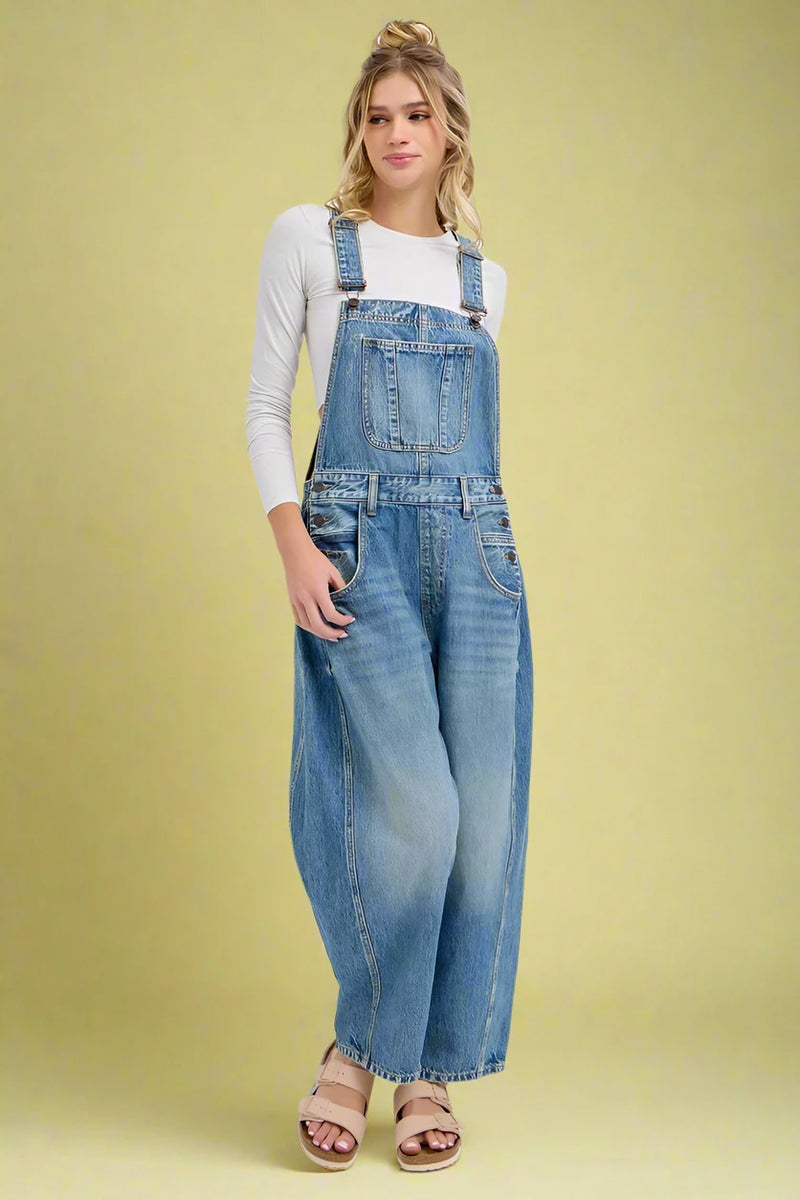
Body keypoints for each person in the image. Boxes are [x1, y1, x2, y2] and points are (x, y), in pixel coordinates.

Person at [245, 18, 533, 1174]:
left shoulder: (485, 281)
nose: (394, 132)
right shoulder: (314, 242)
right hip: (352, 541)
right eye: (377, 115)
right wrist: (293, 545)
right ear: (358, 132)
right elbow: (269, 408)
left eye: (415, 114)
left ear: (448, 130)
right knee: (410, 808)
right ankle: (358, 1050)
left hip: (477, 551)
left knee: (481, 825)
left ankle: (421, 1068)